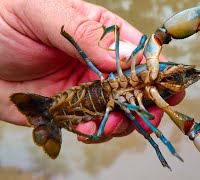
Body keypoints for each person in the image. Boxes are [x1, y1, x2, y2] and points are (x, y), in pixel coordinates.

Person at [0, 0, 184, 143]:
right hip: (100, 95)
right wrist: (78, 40)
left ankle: (58, 121)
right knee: (138, 118)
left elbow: (146, 113)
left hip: (106, 105)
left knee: (136, 119)